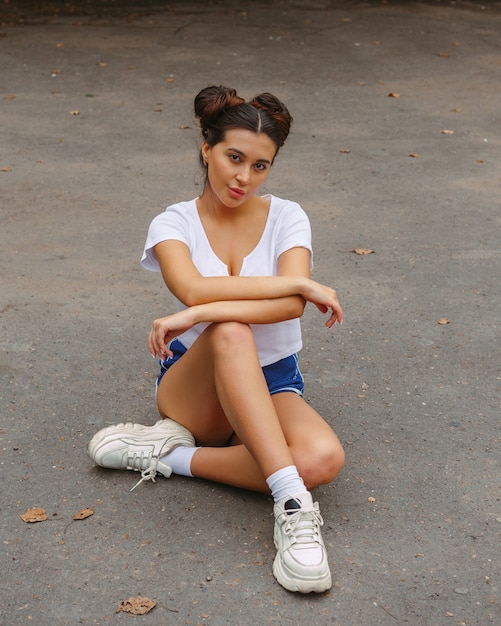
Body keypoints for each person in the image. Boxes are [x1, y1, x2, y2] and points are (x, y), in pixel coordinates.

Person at [87, 85, 345, 594]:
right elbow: (193, 286)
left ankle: (167, 458)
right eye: (234, 157)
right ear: (206, 147)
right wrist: (294, 280)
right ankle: (292, 505)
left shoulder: (287, 216)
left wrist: (202, 311)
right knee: (230, 331)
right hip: (195, 389)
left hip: (272, 382)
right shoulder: (173, 222)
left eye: (260, 166)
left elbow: (288, 308)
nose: (244, 178)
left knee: (323, 458)